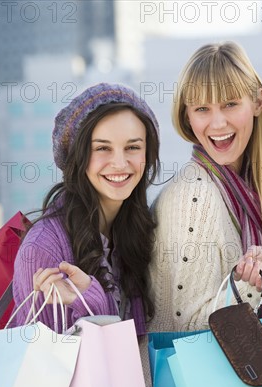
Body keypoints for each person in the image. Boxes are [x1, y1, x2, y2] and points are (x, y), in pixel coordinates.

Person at [149, 41, 262, 332]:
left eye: (230, 104)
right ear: (187, 115)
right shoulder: (194, 195)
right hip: (184, 372)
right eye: (202, 109)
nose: (218, 123)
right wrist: (251, 286)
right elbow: (187, 326)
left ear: (258, 102)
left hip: (249, 365)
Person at [11, 82, 160, 337]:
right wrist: (90, 300)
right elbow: (51, 367)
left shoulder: (135, 228)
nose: (120, 163)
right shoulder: (43, 250)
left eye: (133, 147)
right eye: (102, 148)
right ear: (78, 156)